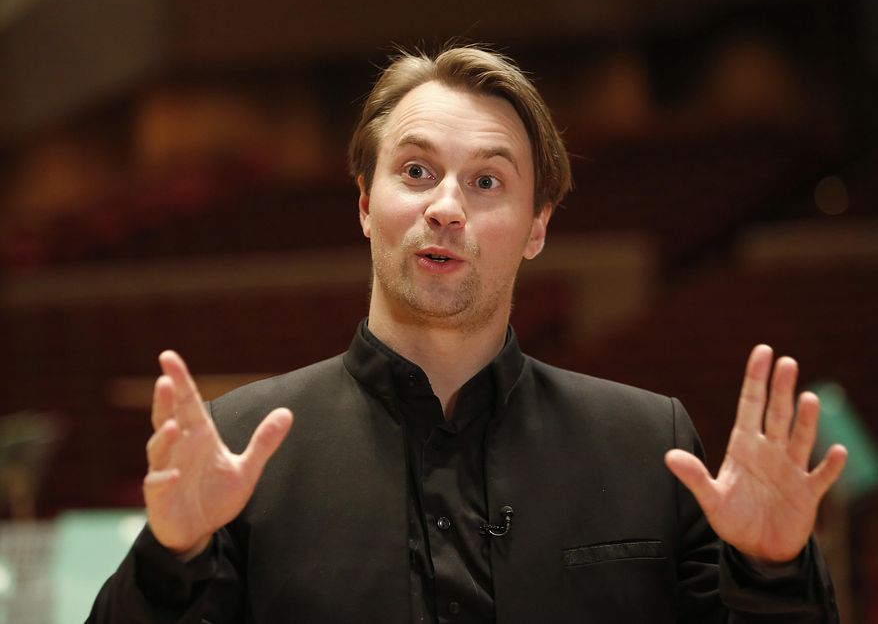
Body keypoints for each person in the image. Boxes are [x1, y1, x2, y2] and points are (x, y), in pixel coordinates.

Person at [88, 45, 848, 623]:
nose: (446, 206)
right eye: (415, 171)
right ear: (363, 204)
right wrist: (172, 556)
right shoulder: (242, 447)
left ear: (537, 227)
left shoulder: (651, 441)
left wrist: (774, 571)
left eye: (487, 181)